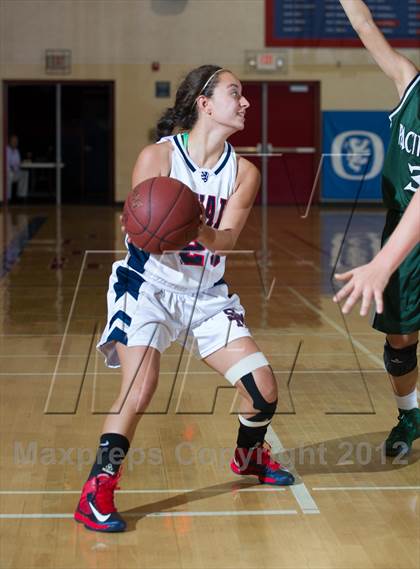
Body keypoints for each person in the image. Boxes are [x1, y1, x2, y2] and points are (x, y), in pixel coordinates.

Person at [74, 65, 294, 533]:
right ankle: (98, 489)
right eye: (236, 93)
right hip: (148, 284)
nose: (245, 102)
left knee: (263, 391)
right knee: (141, 386)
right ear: (204, 103)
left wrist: (197, 226)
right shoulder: (157, 158)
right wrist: (145, 221)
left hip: (204, 292)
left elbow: (229, 239)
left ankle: (250, 456)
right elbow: (137, 223)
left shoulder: (244, 172)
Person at [334, 1, 419, 458]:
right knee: (400, 342)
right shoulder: (410, 80)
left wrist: (382, 264)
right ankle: (410, 414)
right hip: (403, 230)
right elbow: (365, 25)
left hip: (407, 235)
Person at [6, 134, 28, 201]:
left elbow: (17, 163)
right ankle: (7, 198)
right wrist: (12, 167)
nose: (15, 143)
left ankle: (21, 196)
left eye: (16, 141)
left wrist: (22, 163)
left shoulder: (17, 151)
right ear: (10, 142)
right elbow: (6, 163)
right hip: (8, 172)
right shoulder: (6, 150)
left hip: (15, 171)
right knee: (9, 175)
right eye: (14, 141)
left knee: (24, 173)